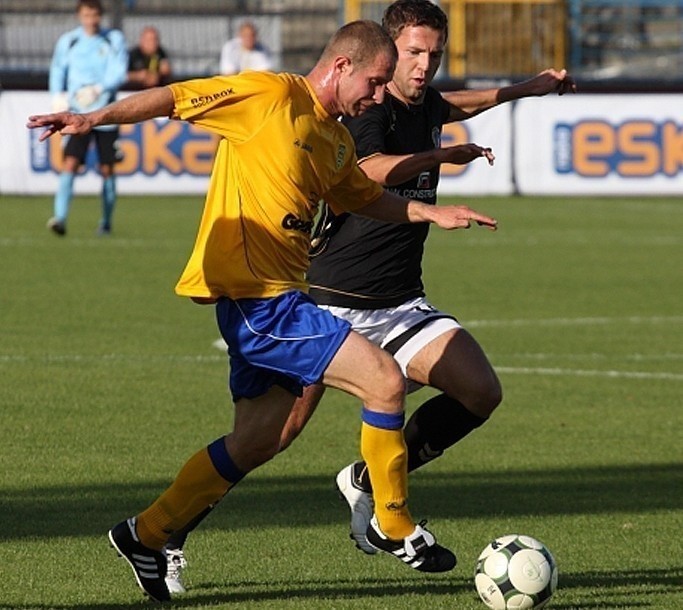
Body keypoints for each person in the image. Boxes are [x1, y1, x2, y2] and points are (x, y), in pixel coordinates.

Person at [28, 19, 499, 603]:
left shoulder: (335, 138)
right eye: (376, 84)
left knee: (260, 439)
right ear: (341, 66)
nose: (380, 97)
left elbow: (364, 197)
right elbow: (174, 99)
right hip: (257, 299)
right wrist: (92, 118)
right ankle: (392, 520)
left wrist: (433, 213)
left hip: (282, 296)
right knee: (383, 380)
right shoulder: (270, 95)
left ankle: (145, 535)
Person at [158, 0, 577, 594]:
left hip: (400, 300)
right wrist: (437, 158)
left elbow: (457, 103)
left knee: (479, 390)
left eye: (434, 54)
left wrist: (524, 89)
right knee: (266, 439)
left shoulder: (424, 101)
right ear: (382, 55)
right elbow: (370, 171)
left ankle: (367, 481)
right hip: (331, 295)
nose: (424, 66)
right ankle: (168, 534)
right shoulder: (362, 110)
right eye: (413, 54)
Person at [47, 0, 128, 237]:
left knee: (107, 169)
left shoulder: (113, 39)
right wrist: (57, 97)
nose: (90, 19)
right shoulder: (69, 41)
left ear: (100, 16)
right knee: (70, 162)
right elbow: (57, 69)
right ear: (79, 16)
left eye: (94, 15)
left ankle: (105, 222)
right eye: (86, 15)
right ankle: (60, 218)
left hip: (106, 113)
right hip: (77, 113)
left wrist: (99, 88)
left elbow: (119, 70)